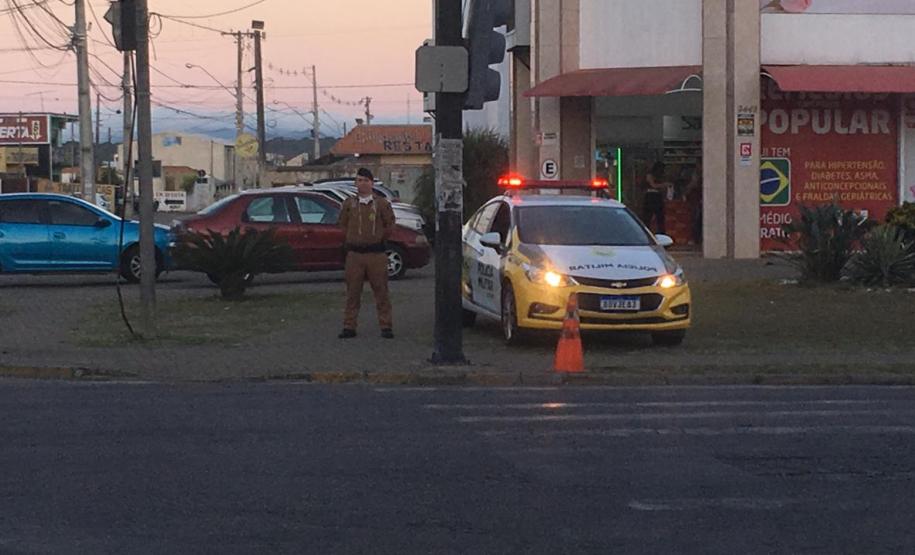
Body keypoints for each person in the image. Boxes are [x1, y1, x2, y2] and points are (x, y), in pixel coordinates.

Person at [338, 168, 396, 339]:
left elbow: (390, 225)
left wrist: (378, 238)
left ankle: (386, 326)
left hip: (376, 254)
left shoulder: (382, 204)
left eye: (365, 180)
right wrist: (352, 237)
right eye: (359, 180)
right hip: (355, 254)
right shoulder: (349, 204)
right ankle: (349, 326)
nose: (362, 183)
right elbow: (342, 224)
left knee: (381, 292)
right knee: (352, 293)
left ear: (371, 183)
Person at [642, 161, 669, 234]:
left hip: (656, 196)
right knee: (648, 217)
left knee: (659, 217)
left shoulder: (662, 176)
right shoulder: (650, 175)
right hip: (651, 196)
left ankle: (661, 233)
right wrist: (664, 185)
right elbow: (653, 185)